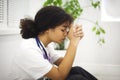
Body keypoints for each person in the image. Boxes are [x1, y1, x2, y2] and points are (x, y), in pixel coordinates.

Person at [10, 6, 98, 80]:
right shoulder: (29, 49)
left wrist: (74, 36)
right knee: (76, 79)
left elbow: (63, 64)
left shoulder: (45, 45)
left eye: (67, 30)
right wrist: (73, 43)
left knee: (77, 70)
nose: (66, 33)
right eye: (63, 29)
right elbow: (59, 76)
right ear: (48, 28)